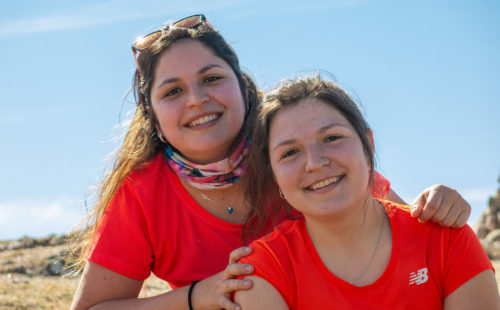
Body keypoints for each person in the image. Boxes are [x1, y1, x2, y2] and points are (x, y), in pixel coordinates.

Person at [70, 14, 473, 310]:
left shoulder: (300, 153)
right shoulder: (143, 193)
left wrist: (438, 205)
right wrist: (198, 296)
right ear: (153, 118)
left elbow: (406, 233)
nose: (196, 99)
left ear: (244, 88)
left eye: (212, 78)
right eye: (172, 91)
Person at [235, 75, 499, 309]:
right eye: (290, 152)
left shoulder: (445, 240)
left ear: (368, 144)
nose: (314, 163)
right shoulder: (264, 270)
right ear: (274, 176)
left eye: (332, 138)